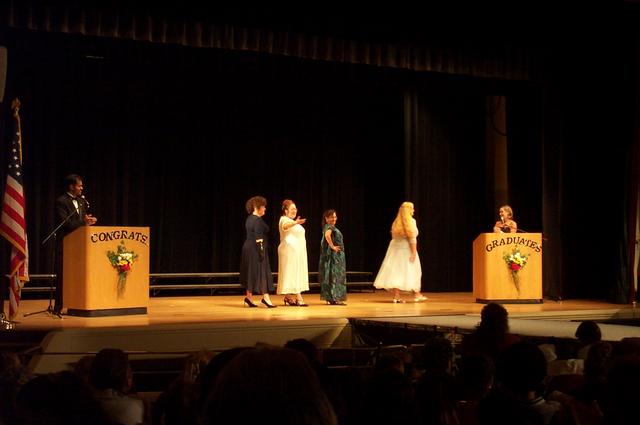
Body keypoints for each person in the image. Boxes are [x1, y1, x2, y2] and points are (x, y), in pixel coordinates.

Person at [53, 174, 98, 314]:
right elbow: (65, 223)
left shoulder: (81, 201)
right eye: (79, 186)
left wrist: (88, 221)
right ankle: (58, 307)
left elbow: (80, 221)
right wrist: (83, 221)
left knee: (79, 276)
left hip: (79, 245)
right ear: (71, 186)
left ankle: (77, 305)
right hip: (65, 244)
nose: (81, 188)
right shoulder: (61, 201)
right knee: (63, 277)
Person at [373, 201, 428, 303]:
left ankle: (397, 296)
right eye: (412, 208)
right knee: (413, 270)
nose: (413, 210)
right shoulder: (411, 221)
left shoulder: (396, 223)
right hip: (406, 250)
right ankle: (417, 294)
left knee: (396, 272)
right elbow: (412, 239)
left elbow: (394, 238)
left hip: (395, 250)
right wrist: (414, 252)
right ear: (409, 210)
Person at [239, 196, 276, 308]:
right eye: (263, 206)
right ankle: (266, 298)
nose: (265, 208)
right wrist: (261, 251)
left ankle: (249, 298)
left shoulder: (249, 219)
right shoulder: (258, 220)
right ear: (256, 207)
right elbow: (259, 238)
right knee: (262, 271)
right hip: (256, 248)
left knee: (250, 272)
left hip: (248, 248)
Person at [277, 199, 309, 306]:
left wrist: (295, 223)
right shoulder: (283, 219)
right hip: (289, 252)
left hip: (297, 253)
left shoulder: (292, 221)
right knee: (292, 273)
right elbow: (285, 226)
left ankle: (288, 296)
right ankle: (299, 298)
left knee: (294, 273)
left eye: (295, 209)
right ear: (286, 211)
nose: (295, 211)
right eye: (292, 209)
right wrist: (295, 222)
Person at [318, 209, 347, 305]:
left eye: (335, 217)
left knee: (331, 276)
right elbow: (327, 235)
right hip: (335, 257)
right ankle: (335, 298)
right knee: (335, 276)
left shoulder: (329, 227)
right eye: (331, 217)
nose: (334, 219)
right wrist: (332, 246)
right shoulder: (329, 227)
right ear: (326, 218)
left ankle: (330, 298)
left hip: (336, 256)